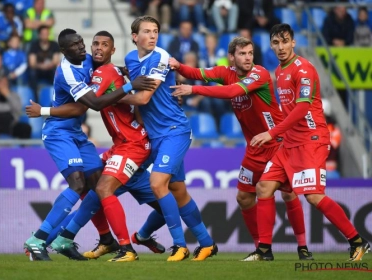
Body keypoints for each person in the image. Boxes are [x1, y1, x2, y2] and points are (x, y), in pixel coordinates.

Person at [169, 36, 313, 261]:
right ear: (231, 58)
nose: (248, 58)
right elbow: (197, 72)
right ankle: (261, 250)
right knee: (244, 198)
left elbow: (231, 92)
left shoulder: (260, 74)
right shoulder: (225, 72)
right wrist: (179, 66)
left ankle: (303, 248)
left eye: (250, 53)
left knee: (288, 194)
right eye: (243, 54)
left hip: (276, 143)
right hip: (255, 148)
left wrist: (193, 90)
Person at [26, 30, 164, 262]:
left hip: (76, 134)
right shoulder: (67, 72)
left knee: (96, 183)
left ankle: (97, 239)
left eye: (82, 42)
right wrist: (43, 111)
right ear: (63, 51)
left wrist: (122, 70)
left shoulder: (88, 60)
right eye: (76, 45)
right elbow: (88, 106)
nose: (83, 48)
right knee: (78, 184)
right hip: (58, 133)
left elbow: (108, 67)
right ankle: (37, 240)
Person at [246, 23, 370, 261]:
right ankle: (264, 250)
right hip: (289, 142)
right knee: (264, 187)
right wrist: (278, 133)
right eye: (276, 43)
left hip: (311, 140)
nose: (281, 47)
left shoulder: (304, 69)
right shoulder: (279, 71)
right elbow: (288, 109)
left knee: (313, 196)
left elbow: (302, 108)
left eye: (285, 41)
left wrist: (271, 134)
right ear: (271, 45)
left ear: (293, 42)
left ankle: (357, 241)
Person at [120, 15, 217, 262]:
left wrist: (110, 98)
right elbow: (137, 89)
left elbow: (142, 98)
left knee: (156, 183)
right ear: (135, 37)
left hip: (175, 130)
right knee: (178, 190)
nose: (153, 35)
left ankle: (179, 246)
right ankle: (206, 243)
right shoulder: (130, 59)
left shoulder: (160, 57)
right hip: (155, 136)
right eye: (147, 31)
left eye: (156, 31)